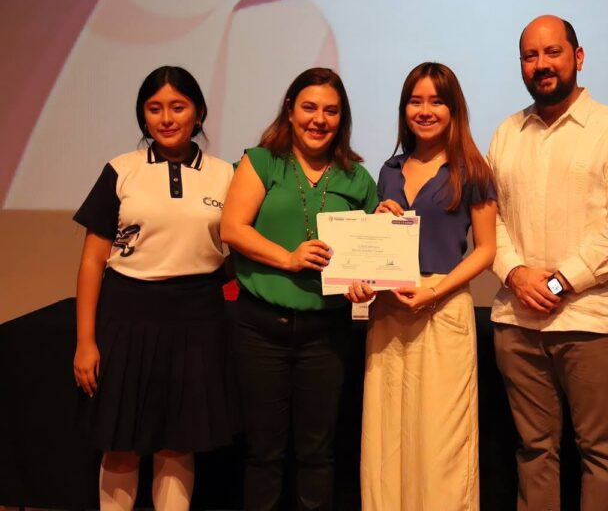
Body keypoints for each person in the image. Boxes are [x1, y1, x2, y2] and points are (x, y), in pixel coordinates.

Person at [488, 15, 608, 511]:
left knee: (600, 453)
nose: (542, 64)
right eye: (530, 56)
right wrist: (516, 275)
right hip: (517, 319)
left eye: (552, 52)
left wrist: (558, 284)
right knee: (533, 450)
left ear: (578, 57)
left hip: (590, 320)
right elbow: (489, 220)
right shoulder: (506, 132)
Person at [72, 66, 235, 510]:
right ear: (142, 115)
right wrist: (85, 341)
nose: (166, 118)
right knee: (121, 441)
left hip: (198, 318)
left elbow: (239, 247)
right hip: (127, 315)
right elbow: (92, 261)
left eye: (178, 107)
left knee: (177, 442)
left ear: (199, 113)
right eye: (154, 108)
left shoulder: (226, 174)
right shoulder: (121, 170)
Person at [220, 67, 379, 510]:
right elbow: (232, 228)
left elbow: (370, 258)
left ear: (342, 118)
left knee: (317, 453)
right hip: (259, 328)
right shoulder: (262, 161)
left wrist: (366, 282)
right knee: (263, 453)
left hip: (326, 333)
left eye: (331, 111)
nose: (319, 119)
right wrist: (288, 258)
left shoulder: (357, 178)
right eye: (309, 107)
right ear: (290, 111)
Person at [346, 62, 497, 511]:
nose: (425, 110)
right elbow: (376, 252)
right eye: (416, 101)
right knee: (387, 435)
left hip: (442, 307)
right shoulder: (389, 170)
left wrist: (435, 291)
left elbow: (486, 250)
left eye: (436, 101)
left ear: (453, 110)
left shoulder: (472, 169)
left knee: (441, 439)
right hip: (389, 311)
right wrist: (374, 239)